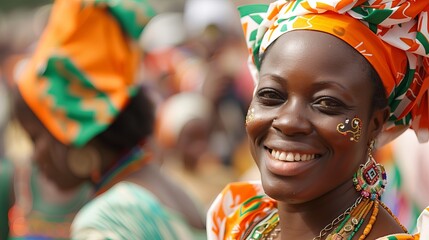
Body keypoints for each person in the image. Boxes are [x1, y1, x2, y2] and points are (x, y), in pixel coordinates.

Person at [207, 0, 429, 239]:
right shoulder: (238, 219)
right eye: (271, 95)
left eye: (326, 103)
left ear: (375, 124)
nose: (288, 122)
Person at [14, 0, 205, 239]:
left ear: (74, 124)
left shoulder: (107, 222)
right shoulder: (170, 189)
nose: (34, 156)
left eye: (36, 138)